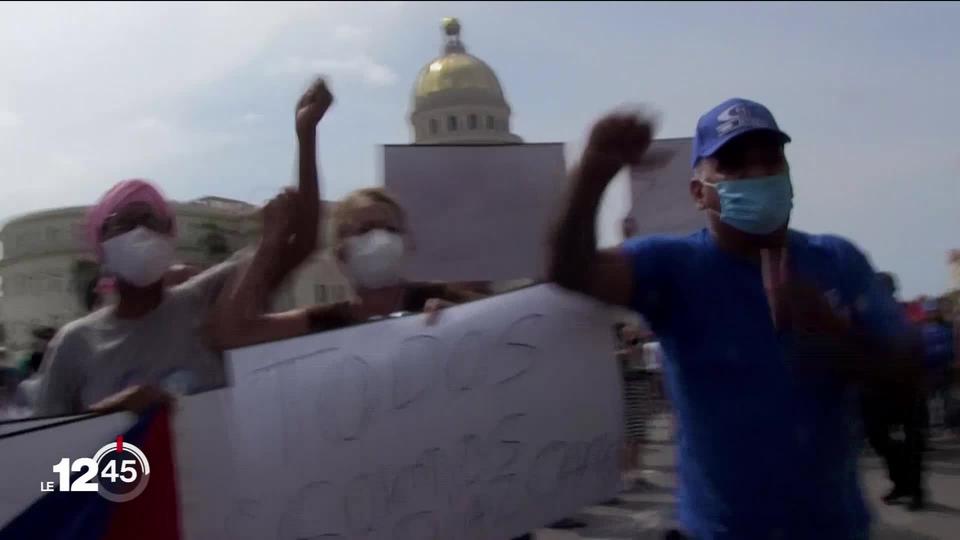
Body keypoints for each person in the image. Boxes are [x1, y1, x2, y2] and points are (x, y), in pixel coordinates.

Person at [548, 98, 920, 539]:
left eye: (770, 160)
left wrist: (835, 336)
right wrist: (594, 172)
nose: (757, 175)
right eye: (734, 165)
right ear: (698, 192)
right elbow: (571, 270)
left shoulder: (837, 260)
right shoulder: (674, 267)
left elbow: (908, 378)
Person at [34, 76, 334, 416]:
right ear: (99, 246)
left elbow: (302, 242)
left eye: (152, 221)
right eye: (124, 223)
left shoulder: (204, 298)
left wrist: (306, 133)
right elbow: (45, 454)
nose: (140, 232)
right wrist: (109, 416)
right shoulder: (74, 345)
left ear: (170, 237)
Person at [208, 187, 484, 347]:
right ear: (341, 253)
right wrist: (269, 243)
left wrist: (470, 323)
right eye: (365, 230)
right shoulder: (326, 321)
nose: (380, 238)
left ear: (408, 243)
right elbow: (231, 334)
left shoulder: (449, 300)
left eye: (390, 228)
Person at [861, 271, 927, 510]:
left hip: (908, 386)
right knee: (877, 436)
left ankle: (916, 491)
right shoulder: (867, 315)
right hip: (878, 389)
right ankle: (902, 482)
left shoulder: (908, 312)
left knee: (914, 441)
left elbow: (918, 346)